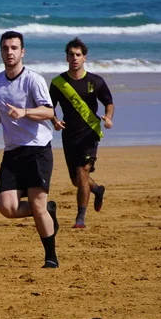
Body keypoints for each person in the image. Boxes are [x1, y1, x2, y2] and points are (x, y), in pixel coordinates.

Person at [0, 30, 60, 268]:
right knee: (7, 208)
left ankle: (51, 257)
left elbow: (48, 111)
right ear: (0, 52)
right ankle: (48, 210)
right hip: (12, 151)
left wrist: (24, 112)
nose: (10, 52)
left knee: (36, 205)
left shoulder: (33, 80)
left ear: (22, 52)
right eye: (5, 48)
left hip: (37, 149)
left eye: (14, 48)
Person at [49, 37, 114, 228]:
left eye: (78, 55)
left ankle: (80, 218)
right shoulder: (58, 83)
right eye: (71, 55)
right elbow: (49, 106)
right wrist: (54, 120)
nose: (75, 58)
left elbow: (109, 103)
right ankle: (98, 190)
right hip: (69, 135)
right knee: (76, 180)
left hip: (89, 133)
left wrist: (109, 117)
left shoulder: (96, 81)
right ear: (67, 58)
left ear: (84, 57)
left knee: (82, 172)